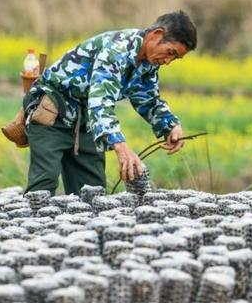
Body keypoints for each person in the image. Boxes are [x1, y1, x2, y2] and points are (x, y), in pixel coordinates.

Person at [22, 11, 197, 196]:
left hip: (86, 120)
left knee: (92, 191)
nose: (168, 61)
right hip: (52, 111)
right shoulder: (117, 50)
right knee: (43, 186)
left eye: (175, 58)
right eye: (170, 52)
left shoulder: (148, 63)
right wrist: (121, 147)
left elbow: (149, 100)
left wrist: (170, 125)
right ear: (157, 35)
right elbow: (101, 100)